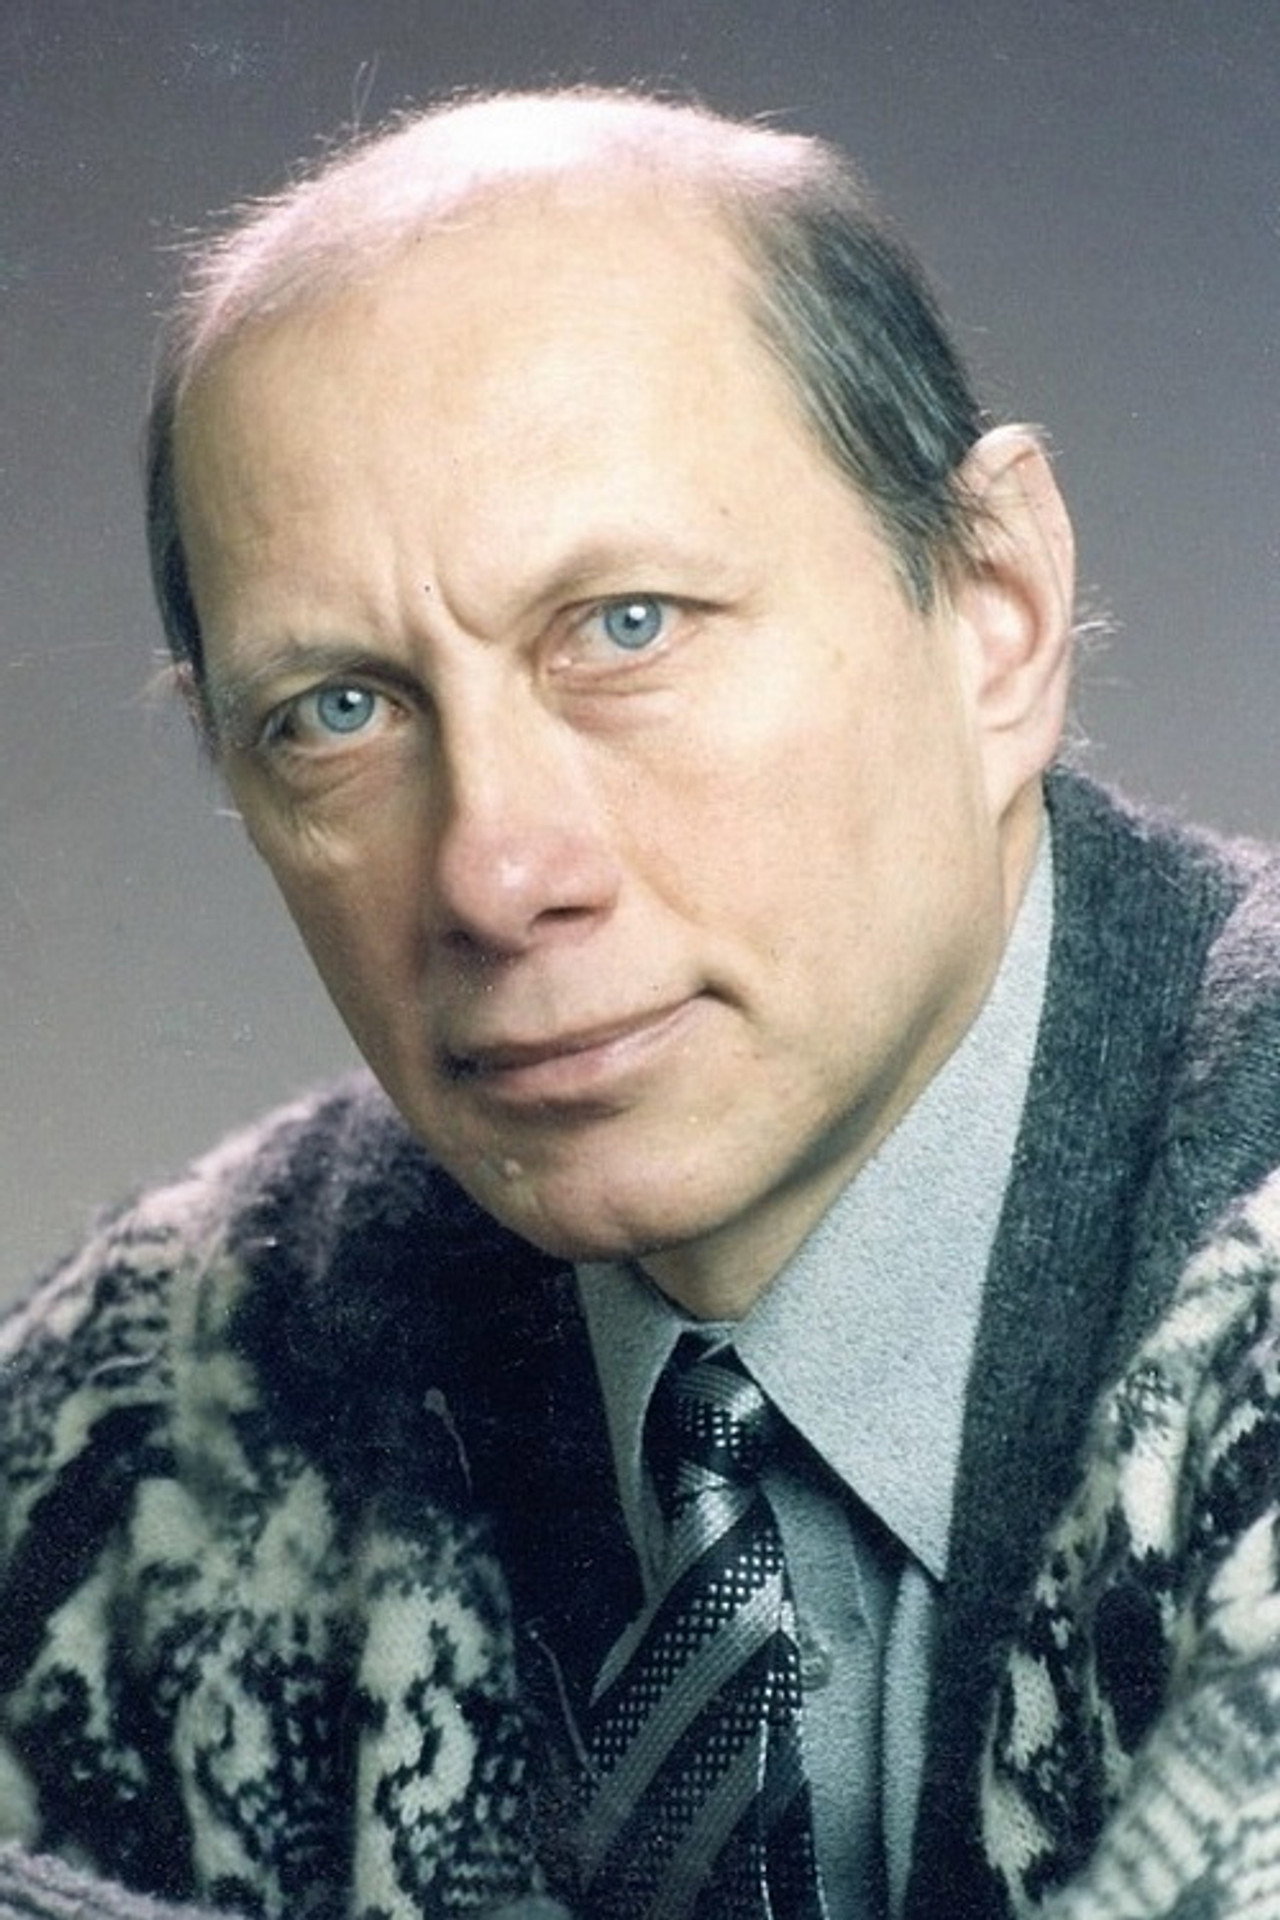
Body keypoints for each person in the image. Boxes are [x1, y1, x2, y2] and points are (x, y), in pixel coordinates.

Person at [3, 87, 1280, 1920]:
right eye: (339, 712)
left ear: (995, 609)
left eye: (627, 626)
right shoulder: (175, 1392)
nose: (494, 873)